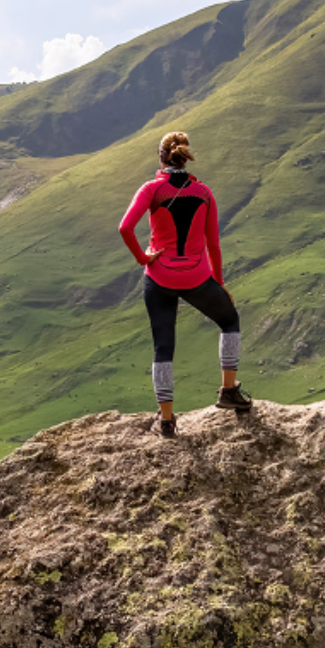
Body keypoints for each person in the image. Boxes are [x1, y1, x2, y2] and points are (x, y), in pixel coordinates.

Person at [117, 131, 251, 438]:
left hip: (159, 276)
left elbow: (125, 227)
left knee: (163, 347)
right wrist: (218, 282)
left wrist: (143, 258)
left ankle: (166, 422)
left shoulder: (152, 189)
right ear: (185, 156)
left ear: (161, 157)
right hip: (196, 276)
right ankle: (228, 391)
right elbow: (213, 244)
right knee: (229, 319)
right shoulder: (203, 192)